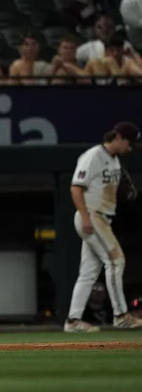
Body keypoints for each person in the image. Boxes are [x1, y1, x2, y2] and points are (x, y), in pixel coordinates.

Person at [64, 122, 142, 333]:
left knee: (88, 272)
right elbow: (75, 188)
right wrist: (85, 216)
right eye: (129, 142)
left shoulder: (114, 161)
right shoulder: (93, 156)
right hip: (92, 216)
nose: (130, 147)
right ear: (118, 138)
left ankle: (73, 320)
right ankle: (121, 315)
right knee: (116, 261)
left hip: (102, 217)